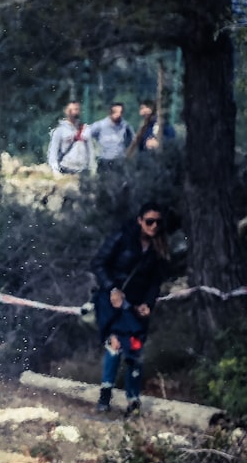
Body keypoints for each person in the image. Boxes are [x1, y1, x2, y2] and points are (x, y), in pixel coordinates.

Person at [90, 201, 170, 417]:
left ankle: (133, 401)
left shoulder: (158, 248)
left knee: (134, 349)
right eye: (149, 221)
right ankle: (105, 396)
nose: (153, 226)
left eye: (158, 222)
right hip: (112, 301)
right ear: (140, 220)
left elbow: (155, 282)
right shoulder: (122, 238)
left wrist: (148, 303)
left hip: (135, 305)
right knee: (115, 344)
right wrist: (112, 288)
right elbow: (98, 263)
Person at [47, 101, 94, 176]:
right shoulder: (60, 130)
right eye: (71, 110)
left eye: (76, 109)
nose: (74, 112)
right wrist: (56, 171)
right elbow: (53, 152)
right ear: (66, 111)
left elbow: (90, 151)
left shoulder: (85, 129)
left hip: (83, 170)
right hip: (66, 169)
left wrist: (91, 169)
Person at [88, 102, 133, 171]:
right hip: (104, 161)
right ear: (110, 112)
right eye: (115, 112)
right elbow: (87, 135)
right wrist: (95, 149)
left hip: (120, 161)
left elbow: (133, 139)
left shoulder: (125, 126)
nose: (118, 114)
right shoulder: (100, 125)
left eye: (120, 112)